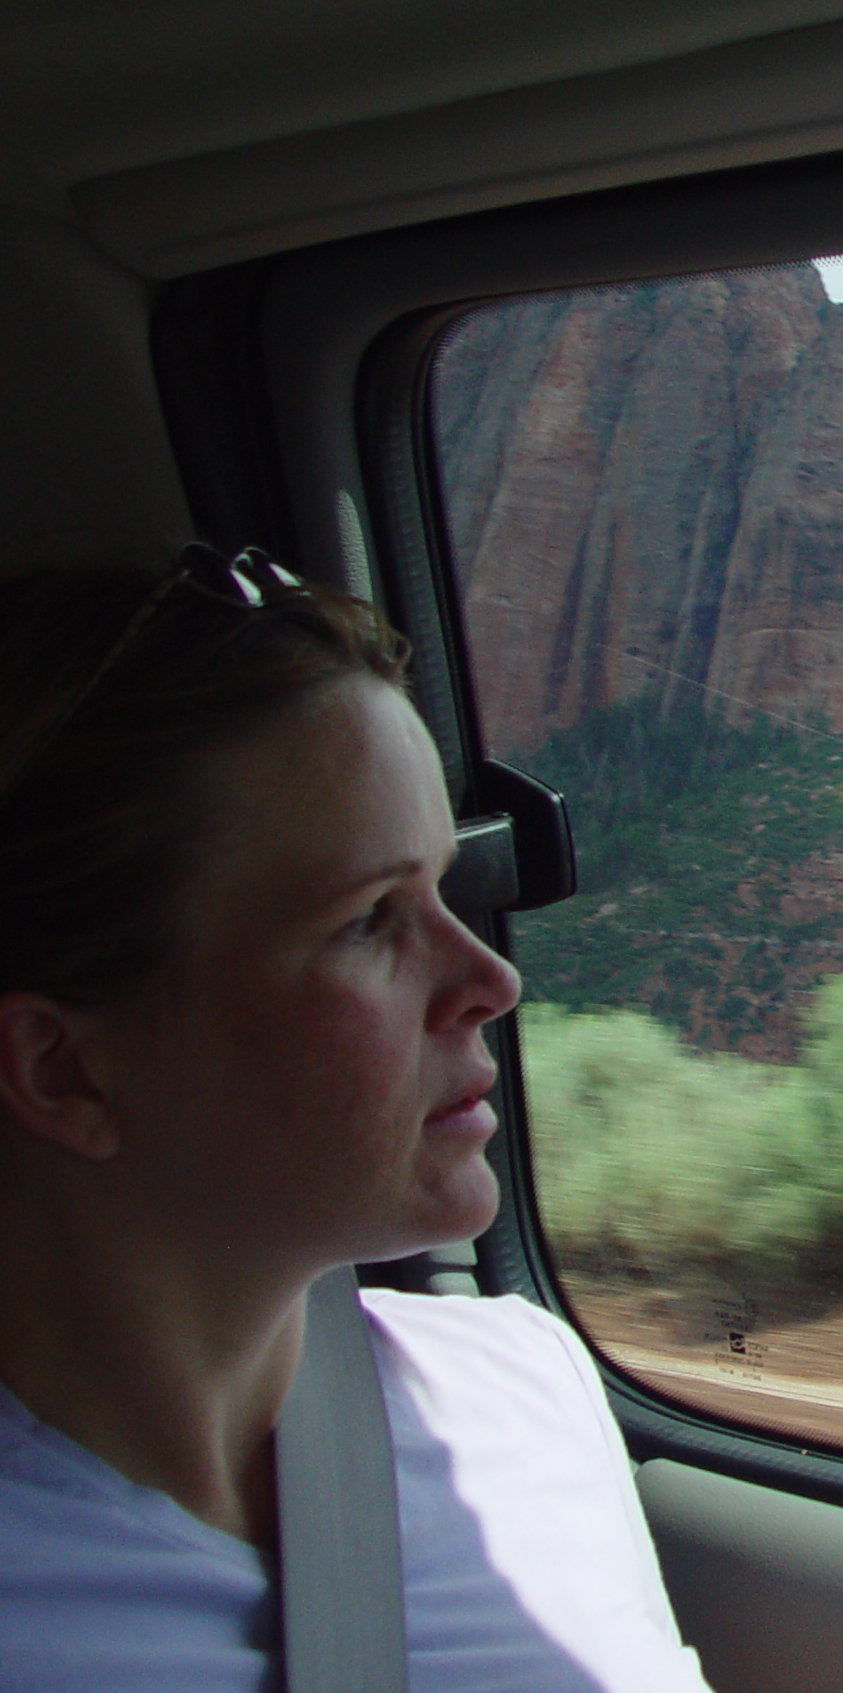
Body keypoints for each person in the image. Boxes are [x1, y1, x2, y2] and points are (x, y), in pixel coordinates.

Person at [0, 546, 712, 1691]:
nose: (491, 978)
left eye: (445, 885)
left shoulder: (523, 1389)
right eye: (369, 920)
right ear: (64, 1071)